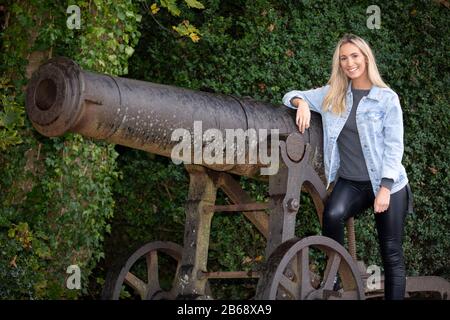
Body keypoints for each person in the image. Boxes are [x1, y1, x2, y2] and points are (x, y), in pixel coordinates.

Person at [282, 34, 413, 300]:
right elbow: (290, 95)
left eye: (355, 56)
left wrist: (385, 189)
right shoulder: (333, 94)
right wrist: (303, 104)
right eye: (344, 58)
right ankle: (337, 282)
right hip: (352, 182)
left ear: (366, 58)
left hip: (388, 184)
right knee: (331, 214)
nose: (349, 63)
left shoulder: (387, 99)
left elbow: (394, 146)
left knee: (391, 252)